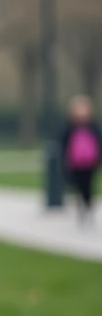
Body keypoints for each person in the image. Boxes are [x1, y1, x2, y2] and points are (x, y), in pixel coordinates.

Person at [61, 95, 100, 225]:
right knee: (78, 186)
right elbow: (64, 144)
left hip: (90, 163)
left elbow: (98, 143)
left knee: (88, 186)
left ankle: (88, 207)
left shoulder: (93, 127)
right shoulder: (70, 128)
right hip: (76, 163)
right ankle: (82, 207)